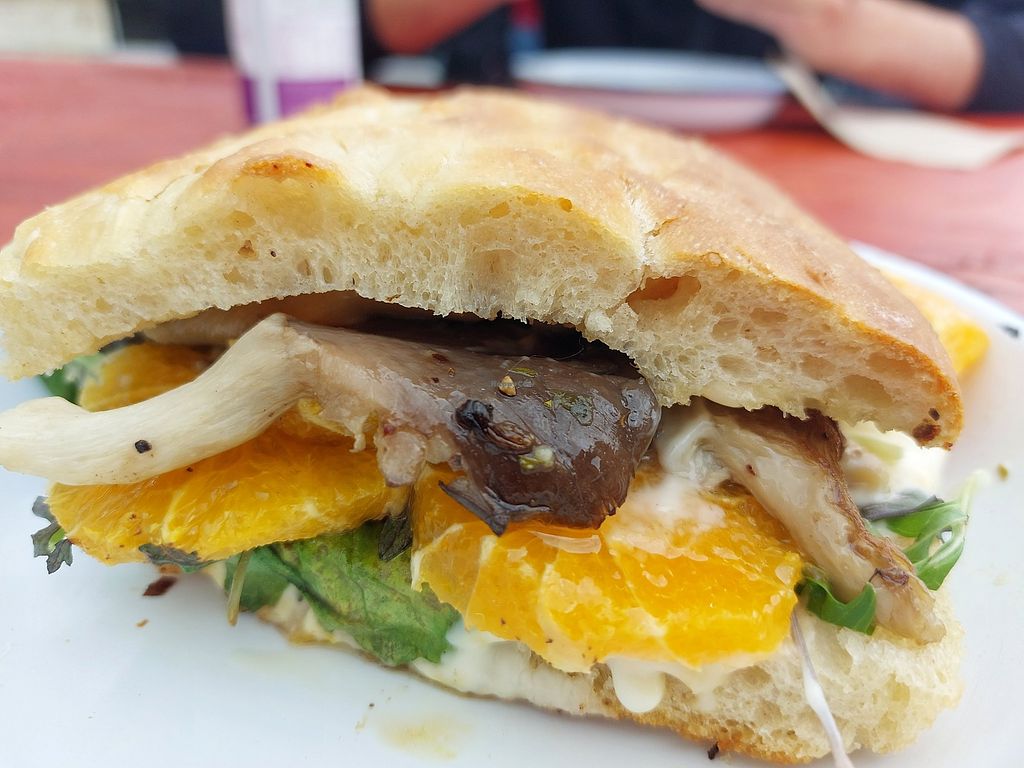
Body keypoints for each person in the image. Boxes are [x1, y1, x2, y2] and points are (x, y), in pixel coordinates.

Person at [364, 0, 1024, 111]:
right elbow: (355, 30)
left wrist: (834, 17)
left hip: (814, 172)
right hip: (530, 137)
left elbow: (1007, 53)